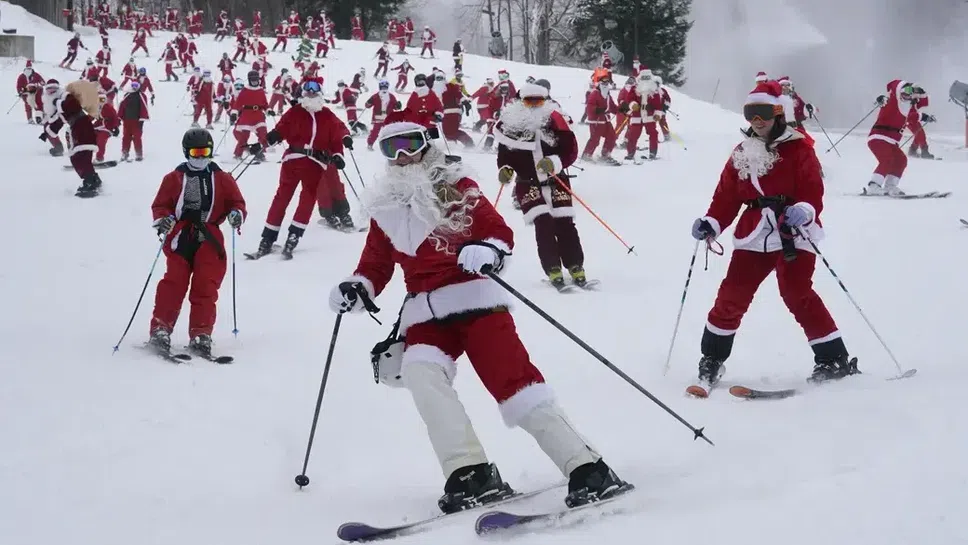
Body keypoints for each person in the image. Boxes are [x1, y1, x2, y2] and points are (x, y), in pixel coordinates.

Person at [327, 108, 631, 512]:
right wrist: (358, 285)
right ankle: (469, 471)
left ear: (427, 143)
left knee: (515, 385)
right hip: (425, 313)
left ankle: (587, 466)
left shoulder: (455, 185)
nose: (402, 157)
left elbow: (497, 231)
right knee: (420, 372)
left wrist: (485, 249)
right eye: (391, 148)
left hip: (474, 299)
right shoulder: (387, 208)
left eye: (410, 144)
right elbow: (375, 264)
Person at [689, 81, 857, 395]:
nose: (757, 120)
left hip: (791, 231)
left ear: (778, 113)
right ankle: (712, 358)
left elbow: (812, 191)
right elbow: (726, 197)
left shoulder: (799, 148)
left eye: (763, 112)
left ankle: (833, 358)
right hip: (753, 234)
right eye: (751, 112)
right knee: (732, 295)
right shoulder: (742, 152)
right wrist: (712, 223)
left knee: (796, 292)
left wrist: (804, 211)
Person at [147, 128, 247, 357]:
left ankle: (201, 333)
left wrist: (237, 214)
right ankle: (161, 328)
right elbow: (160, 205)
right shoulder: (174, 178)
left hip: (209, 236)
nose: (201, 158)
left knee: (206, 285)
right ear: (186, 152)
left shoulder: (222, 178)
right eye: (196, 152)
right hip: (181, 235)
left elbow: (236, 202)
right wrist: (163, 220)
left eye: (205, 152)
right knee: (174, 282)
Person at [494, 81, 588, 289]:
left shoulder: (555, 120)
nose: (534, 106)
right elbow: (504, 156)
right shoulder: (511, 124)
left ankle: (575, 265)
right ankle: (552, 267)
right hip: (528, 183)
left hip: (556, 180)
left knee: (565, 223)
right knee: (543, 222)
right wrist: (505, 170)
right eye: (529, 101)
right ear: (520, 101)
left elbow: (570, 150)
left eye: (538, 101)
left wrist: (555, 162)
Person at [247, 80, 349, 259]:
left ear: (320, 93)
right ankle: (267, 239)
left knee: (307, 199)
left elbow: (337, 135)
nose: (311, 92)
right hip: (292, 160)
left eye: (315, 89)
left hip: (315, 163)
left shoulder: (326, 115)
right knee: (282, 198)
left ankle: (294, 235)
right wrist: (263, 143)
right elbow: (279, 131)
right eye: (307, 89)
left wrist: (340, 152)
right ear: (302, 93)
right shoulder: (295, 112)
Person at [864, 80, 922, 196]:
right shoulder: (891, 101)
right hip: (878, 138)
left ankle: (890, 185)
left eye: (910, 93)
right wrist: (880, 99)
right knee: (887, 159)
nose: (907, 95)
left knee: (901, 160)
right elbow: (881, 101)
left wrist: (922, 116)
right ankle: (874, 186)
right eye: (905, 92)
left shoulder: (906, 107)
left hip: (891, 141)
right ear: (898, 91)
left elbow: (911, 117)